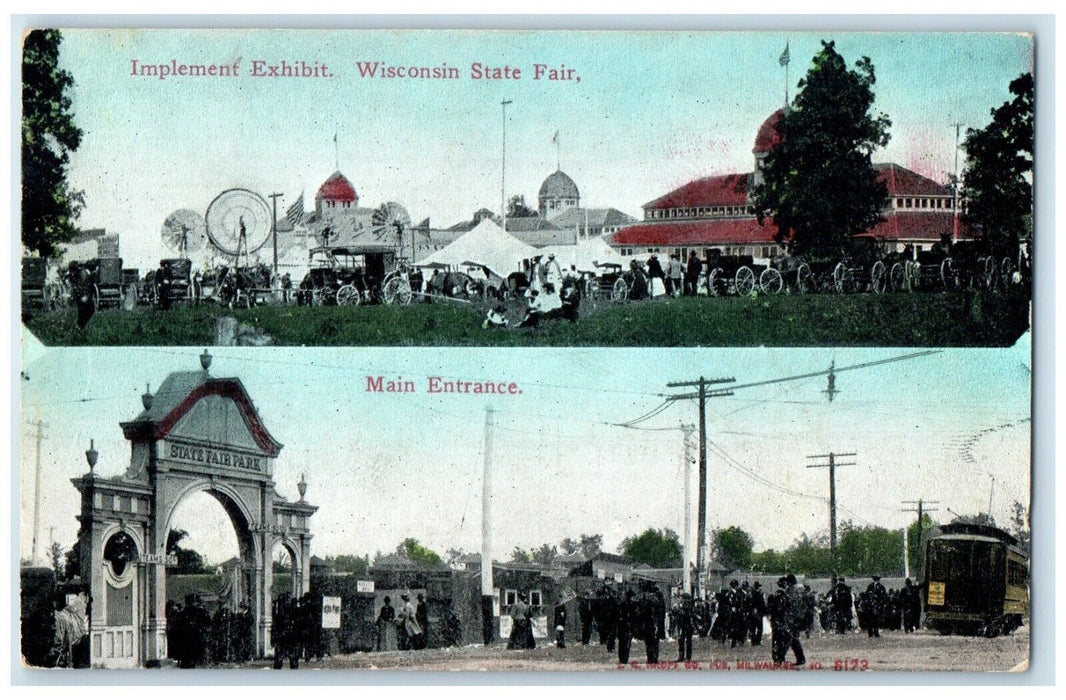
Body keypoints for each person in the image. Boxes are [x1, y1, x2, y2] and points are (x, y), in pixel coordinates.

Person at [616, 589, 635, 665]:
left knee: (622, 643)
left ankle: (622, 658)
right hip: (627, 625)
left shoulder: (622, 604)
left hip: (622, 625)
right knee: (626, 643)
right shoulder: (631, 605)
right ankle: (624, 658)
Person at [675, 593, 695, 662]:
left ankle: (684, 656)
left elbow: (686, 616)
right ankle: (685, 657)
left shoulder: (687, 607)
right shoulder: (687, 607)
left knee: (684, 641)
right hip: (685, 625)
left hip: (686, 625)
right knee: (683, 641)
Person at [749, 582, 766, 646]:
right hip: (759, 613)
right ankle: (758, 641)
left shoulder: (752, 594)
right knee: (759, 628)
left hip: (753, 612)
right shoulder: (760, 594)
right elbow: (762, 604)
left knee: (753, 628)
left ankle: (753, 641)